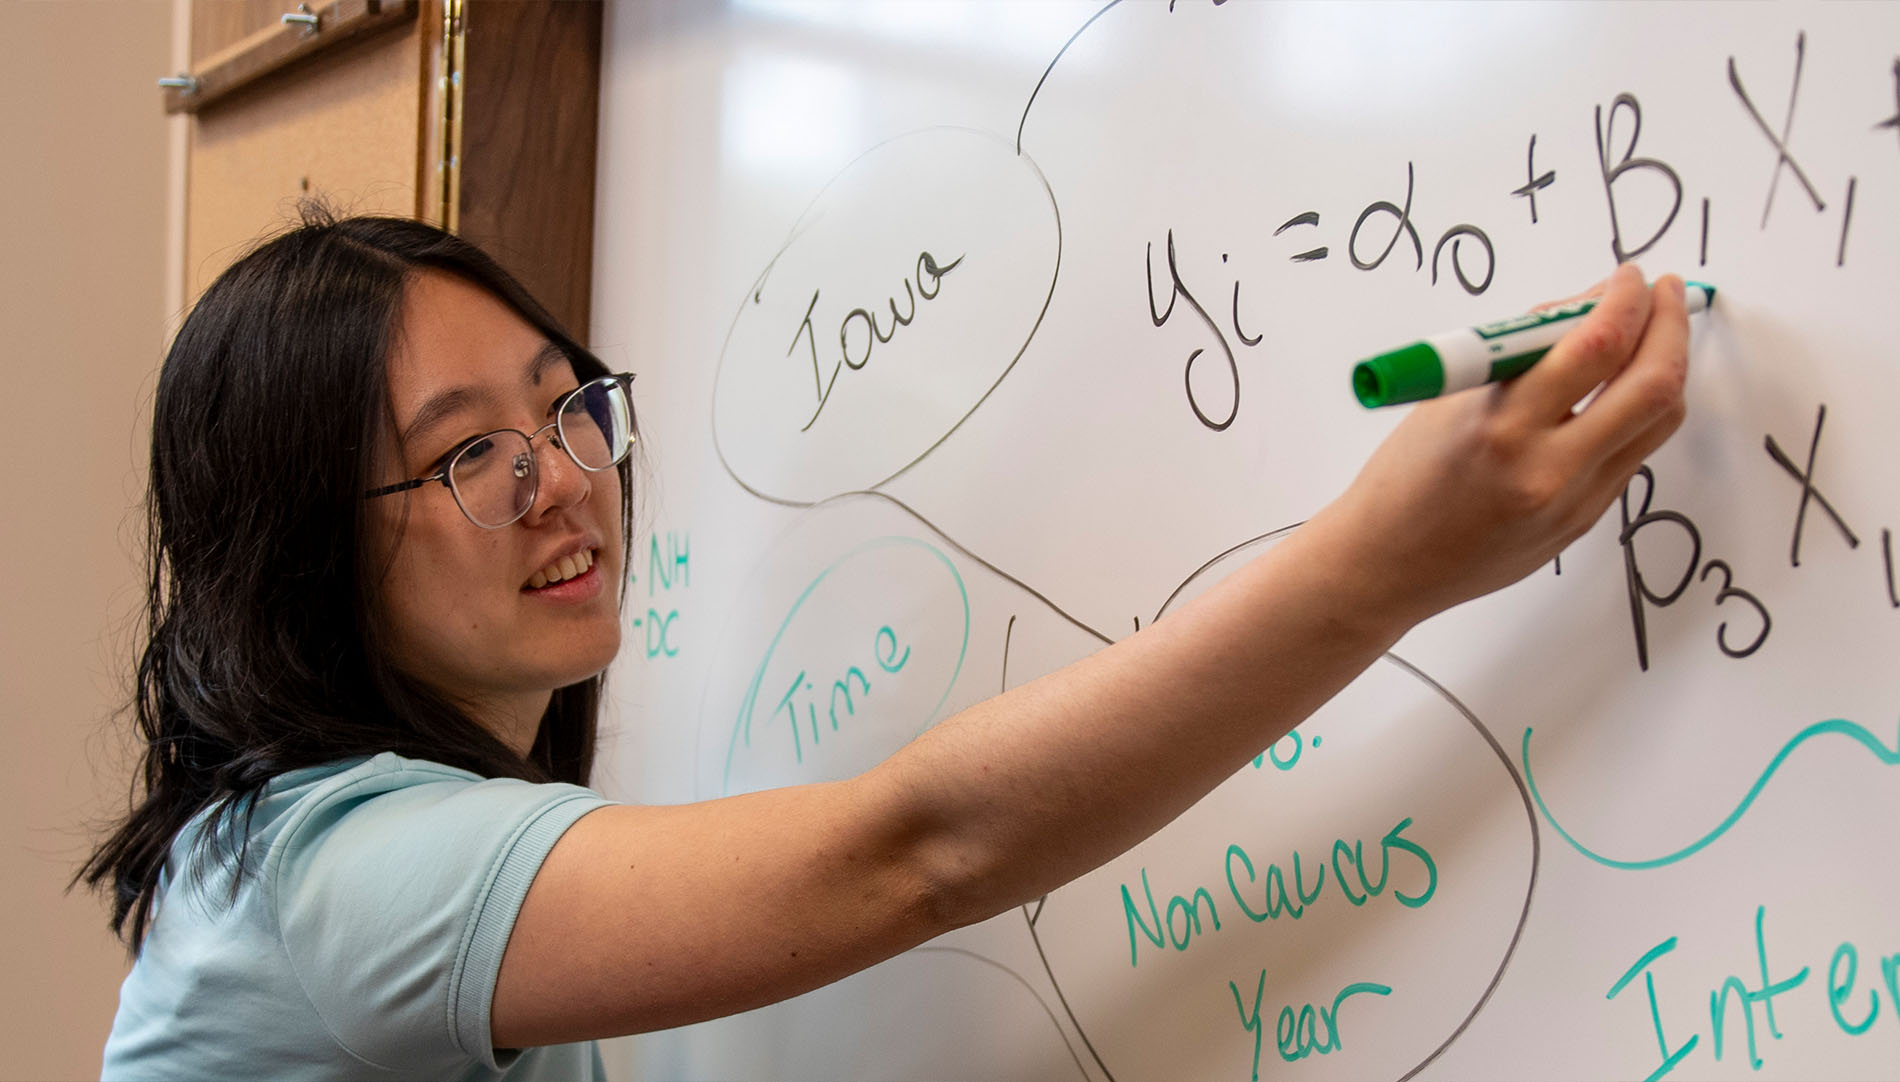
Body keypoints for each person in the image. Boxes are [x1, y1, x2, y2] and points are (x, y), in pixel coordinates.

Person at [83, 210, 1689, 1079]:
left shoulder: (335, 844)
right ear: (301, 549)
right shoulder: (344, 875)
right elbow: (918, 846)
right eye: (469, 453)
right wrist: (1375, 570)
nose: (567, 475)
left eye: (567, 400)